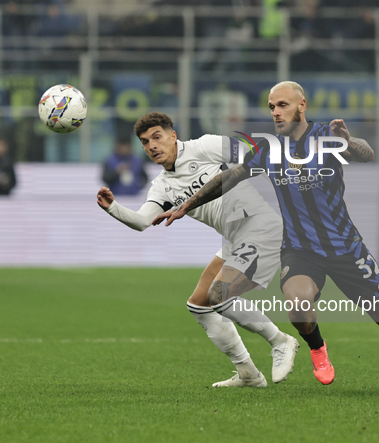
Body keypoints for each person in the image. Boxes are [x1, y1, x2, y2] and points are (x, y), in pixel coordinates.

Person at [154, 82, 379, 395]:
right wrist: (185, 205)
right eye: (271, 107)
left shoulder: (325, 137)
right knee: (298, 305)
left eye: (282, 105)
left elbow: (365, 153)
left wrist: (348, 141)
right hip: (300, 250)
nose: (276, 112)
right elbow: (229, 177)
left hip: (346, 249)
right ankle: (317, 348)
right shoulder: (269, 148)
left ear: (302, 105)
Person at [96, 112, 299, 387]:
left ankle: (281, 341)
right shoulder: (162, 186)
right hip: (233, 239)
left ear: (173, 135)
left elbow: (253, 151)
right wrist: (113, 208)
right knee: (199, 305)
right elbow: (143, 221)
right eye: (145, 142)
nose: (152, 146)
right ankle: (248, 373)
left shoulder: (205, 146)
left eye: (157, 137)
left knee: (219, 296)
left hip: (259, 227)